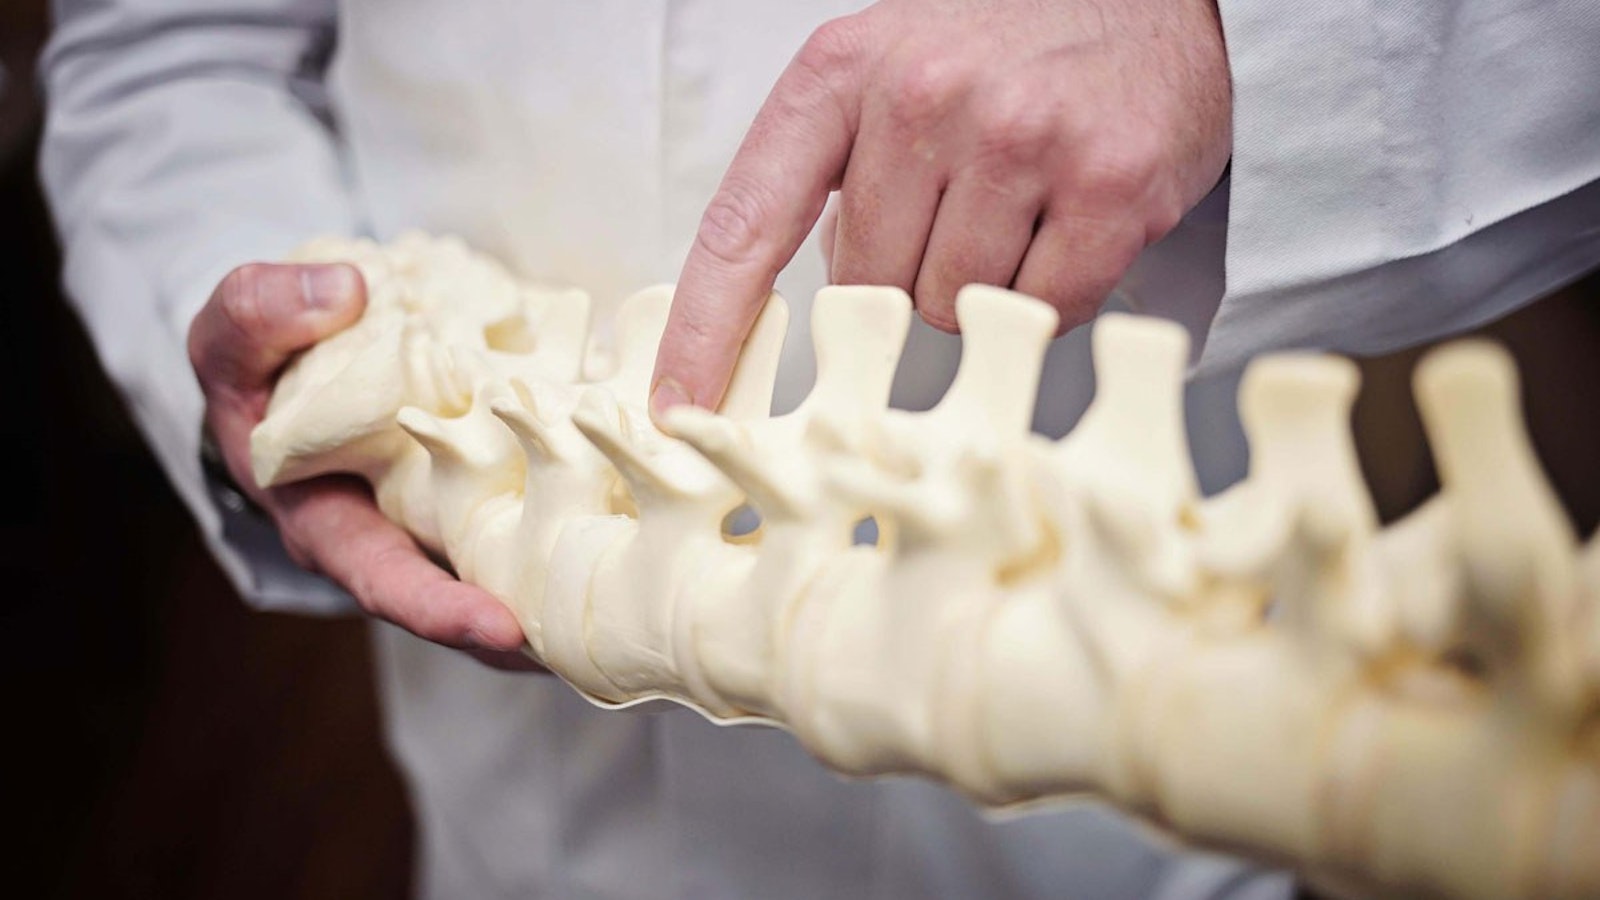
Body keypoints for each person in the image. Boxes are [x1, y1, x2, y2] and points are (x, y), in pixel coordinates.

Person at [39, 1, 1600, 898]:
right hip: (524, 821)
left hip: (1130, 836)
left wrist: (1240, 41)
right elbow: (165, 56)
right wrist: (253, 315)